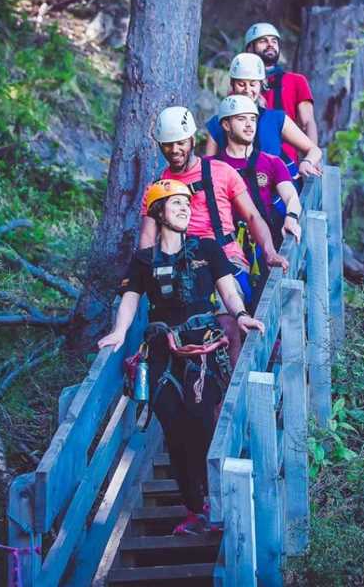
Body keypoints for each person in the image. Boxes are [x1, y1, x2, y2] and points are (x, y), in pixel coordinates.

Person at [99, 180, 265, 536]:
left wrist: (240, 315)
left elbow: (228, 289)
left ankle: (216, 502)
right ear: (158, 212)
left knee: (203, 422)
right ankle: (194, 509)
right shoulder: (143, 260)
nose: (184, 209)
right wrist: (118, 331)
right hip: (162, 354)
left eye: (187, 204)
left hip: (201, 349)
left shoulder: (207, 248)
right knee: (175, 431)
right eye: (175, 204)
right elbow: (130, 298)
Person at [139, 106, 288, 363]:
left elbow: (253, 216)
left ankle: (232, 396)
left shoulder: (222, 172)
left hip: (224, 259)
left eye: (180, 143)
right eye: (168, 145)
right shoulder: (157, 189)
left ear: (192, 140)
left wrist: (270, 251)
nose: (175, 151)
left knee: (226, 325)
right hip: (178, 264)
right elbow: (147, 240)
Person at [211, 94, 303, 304]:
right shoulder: (210, 166)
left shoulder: (272, 162)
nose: (249, 125)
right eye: (241, 119)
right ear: (226, 124)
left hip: (266, 241)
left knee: (267, 300)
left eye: (252, 119)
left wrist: (291, 216)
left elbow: (290, 195)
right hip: (226, 244)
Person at [204, 53, 322, 184]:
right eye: (241, 84)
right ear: (233, 84)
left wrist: (307, 162)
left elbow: (314, 150)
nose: (247, 90)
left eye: (253, 84)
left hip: (278, 195)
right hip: (234, 194)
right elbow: (208, 169)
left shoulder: (277, 119)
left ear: (261, 85)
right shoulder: (217, 123)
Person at [244, 22, 319, 161]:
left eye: (274, 41)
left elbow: (308, 121)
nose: (270, 44)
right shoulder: (241, 86)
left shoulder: (296, 81)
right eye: (263, 41)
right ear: (250, 48)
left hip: (286, 162)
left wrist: (312, 158)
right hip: (248, 160)